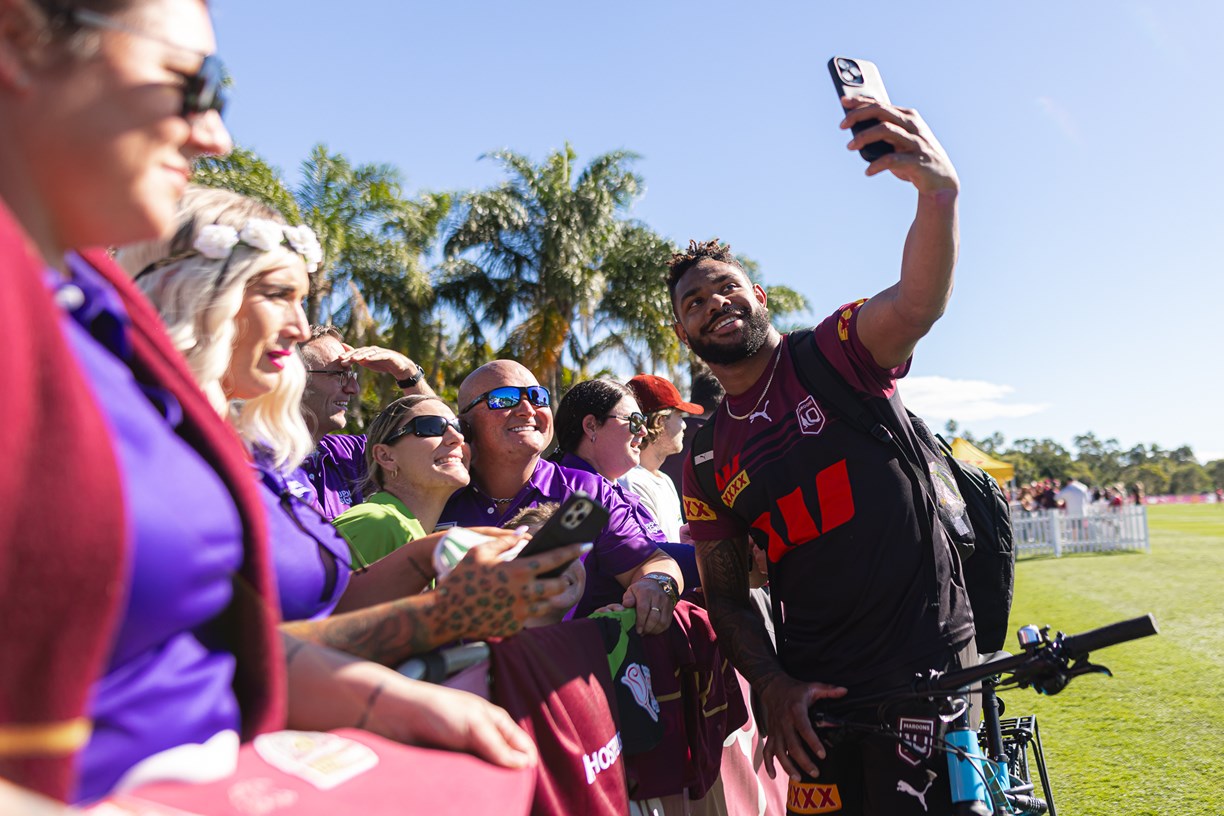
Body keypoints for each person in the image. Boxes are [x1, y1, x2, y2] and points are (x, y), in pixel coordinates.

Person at [0, 2, 535, 805]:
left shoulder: (92, 319)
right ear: (16, 40)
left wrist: (387, 694)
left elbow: (216, 649)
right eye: (190, 83)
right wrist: (434, 621)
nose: (215, 134)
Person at [125, 186, 586, 661]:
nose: (300, 327)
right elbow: (244, 650)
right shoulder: (138, 441)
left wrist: (431, 559)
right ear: (199, 296)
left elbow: (314, 624)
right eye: (279, 295)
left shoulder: (260, 456)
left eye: (301, 300)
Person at [674, 92, 973, 815]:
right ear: (683, 334)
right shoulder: (706, 455)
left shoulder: (834, 353)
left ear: (759, 296)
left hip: (921, 669)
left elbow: (916, 304)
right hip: (814, 700)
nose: (714, 304)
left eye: (726, 288)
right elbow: (725, 596)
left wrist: (938, 195)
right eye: (694, 303)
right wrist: (773, 684)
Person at [439, 360, 684, 634]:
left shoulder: (589, 492)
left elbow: (652, 562)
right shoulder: (439, 489)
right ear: (464, 423)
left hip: (559, 659)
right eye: (504, 398)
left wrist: (657, 584)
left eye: (537, 397)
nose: (528, 409)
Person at [552, 377, 701, 594]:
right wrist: (716, 553)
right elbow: (640, 558)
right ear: (591, 426)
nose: (643, 431)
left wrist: (685, 547)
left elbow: (651, 551)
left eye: (643, 421)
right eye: (634, 421)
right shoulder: (578, 494)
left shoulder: (612, 489)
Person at [299, 325, 432, 519]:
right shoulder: (257, 459)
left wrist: (408, 373)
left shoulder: (346, 455)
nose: (353, 388)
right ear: (294, 377)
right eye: (339, 375)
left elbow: (441, 438)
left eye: (351, 376)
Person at [624, 373, 703, 542]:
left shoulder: (664, 479)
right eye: (680, 416)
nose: (684, 425)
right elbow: (651, 552)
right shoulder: (631, 482)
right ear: (659, 421)